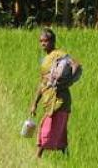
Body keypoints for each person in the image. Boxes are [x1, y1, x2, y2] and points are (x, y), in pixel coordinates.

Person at [29, 28, 81, 158]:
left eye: (45, 41)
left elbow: (76, 64)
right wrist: (34, 103)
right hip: (49, 99)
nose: (42, 44)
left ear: (52, 41)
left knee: (47, 127)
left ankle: (37, 157)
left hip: (60, 99)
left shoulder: (59, 54)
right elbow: (42, 83)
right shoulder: (44, 60)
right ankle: (66, 156)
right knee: (60, 130)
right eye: (41, 41)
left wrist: (69, 80)